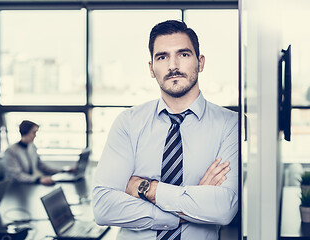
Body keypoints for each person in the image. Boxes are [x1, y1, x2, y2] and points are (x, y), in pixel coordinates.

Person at [92, 20, 238, 240]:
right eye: (162, 57)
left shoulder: (230, 124)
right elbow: (103, 207)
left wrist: (147, 188)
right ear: (151, 68)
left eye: (184, 54)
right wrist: (190, 206)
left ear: (200, 62)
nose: (173, 65)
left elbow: (224, 209)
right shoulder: (128, 123)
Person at [4, 120, 62, 185]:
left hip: (29, 184)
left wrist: (62, 170)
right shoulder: (11, 151)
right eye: (34, 132)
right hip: (16, 187)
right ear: (26, 132)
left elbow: (42, 166)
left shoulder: (32, 147)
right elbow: (17, 175)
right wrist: (38, 179)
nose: (35, 136)